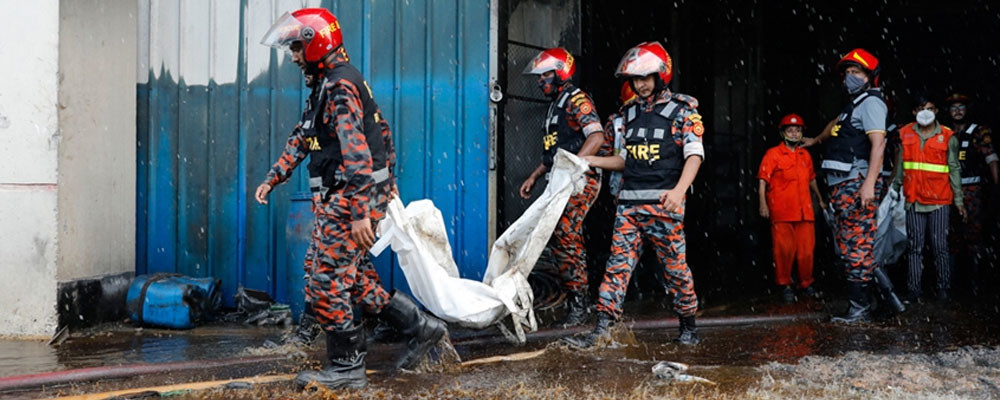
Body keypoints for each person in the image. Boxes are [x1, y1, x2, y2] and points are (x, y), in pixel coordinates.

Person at [256, 8, 446, 389]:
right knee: (354, 279)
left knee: (325, 279)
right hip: (352, 194)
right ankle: (420, 327)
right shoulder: (328, 83)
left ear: (315, 43)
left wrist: (361, 212)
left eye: (296, 47)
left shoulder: (340, 84)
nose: (293, 56)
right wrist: (274, 176)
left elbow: (356, 148)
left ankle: (345, 368)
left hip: (350, 196)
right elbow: (315, 135)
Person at [566, 41, 704, 348]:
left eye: (646, 77)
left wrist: (679, 192)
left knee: (675, 270)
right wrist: (590, 160)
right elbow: (623, 160)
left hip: (664, 205)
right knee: (617, 267)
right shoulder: (626, 115)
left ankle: (688, 327)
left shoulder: (683, 112)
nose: (640, 85)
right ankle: (602, 328)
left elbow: (694, 156)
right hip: (629, 205)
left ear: (661, 75)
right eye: (635, 79)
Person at [801, 48, 897, 323]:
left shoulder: (872, 103)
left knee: (856, 247)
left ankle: (861, 309)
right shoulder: (854, 105)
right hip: (844, 187)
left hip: (857, 185)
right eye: (847, 73)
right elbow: (835, 125)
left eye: (857, 72)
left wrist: (868, 186)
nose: (850, 77)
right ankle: (883, 302)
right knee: (852, 246)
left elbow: (879, 145)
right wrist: (817, 140)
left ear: (871, 76)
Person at [520, 48, 605, 327]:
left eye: (545, 74)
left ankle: (581, 304)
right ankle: (578, 298)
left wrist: (576, 168)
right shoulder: (555, 105)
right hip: (560, 179)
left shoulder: (576, 99)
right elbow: (555, 152)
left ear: (560, 72)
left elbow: (596, 135)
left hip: (581, 180)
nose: (540, 81)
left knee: (565, 234)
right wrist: (534, 176)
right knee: (559, 237)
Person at [891, 98, 965, 303]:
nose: (926, 112)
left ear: (937, 110)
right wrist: (893, 191)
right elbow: (901, 165)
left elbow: (954, 169)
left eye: (930, 109)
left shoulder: (948, 136)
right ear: (915, 111)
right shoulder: (905, 132)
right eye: (922, 109)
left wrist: (959, 200)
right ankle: (914, 290)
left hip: (939, 200)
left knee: (940, 246)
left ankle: (943, 288)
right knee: (915, 247)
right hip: (914, 199)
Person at [758, 114, 826, 303]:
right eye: (790, 130)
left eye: (798, 130)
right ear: (783, 133)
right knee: (784, 251)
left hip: (805, 211)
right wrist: (762, 204)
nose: (794, 133)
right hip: (782, 211)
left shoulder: (805, 155)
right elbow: (763, 180)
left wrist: (820, 200)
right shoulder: (773, 154)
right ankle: (785, 284)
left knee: (806, 251)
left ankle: (806, 283)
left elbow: (812, 180)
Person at [943, 93, 999, 296]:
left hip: (972, 190)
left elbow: (991, 158)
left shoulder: (978, 131)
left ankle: (976, 283)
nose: (957, 111)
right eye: (953, 108)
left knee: (974, 235)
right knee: (950, 237)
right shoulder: (945, 133)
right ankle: (948, 284)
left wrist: (996, 186)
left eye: (961, 107)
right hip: (947, 191)